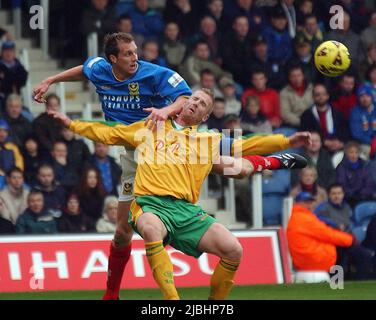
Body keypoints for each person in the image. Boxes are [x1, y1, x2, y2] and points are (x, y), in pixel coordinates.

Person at [49, 89, 311, 299]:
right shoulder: (153, 126)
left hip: (186, 210)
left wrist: (285, 141)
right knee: (152, 229)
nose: (195, 103)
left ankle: (273, 162)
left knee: (234, 248)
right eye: (194, 98)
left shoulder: (209, 139)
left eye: (202, 104)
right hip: (150, 204)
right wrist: (73, 124)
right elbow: (110, 132)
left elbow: (247, 143)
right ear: (184, 103)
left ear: (206, 117)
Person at [33, 32, 192, 300]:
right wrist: (51, 79)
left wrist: (166, 111)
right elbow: (84, 69)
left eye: (135, 51)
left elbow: (184, 97)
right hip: (131, 152)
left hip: (159, 148)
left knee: (157, 222)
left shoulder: (153, 74)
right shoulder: (101, 69)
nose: (135, 57)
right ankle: (111, 294)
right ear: (112, 59)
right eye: (128, 54)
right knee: (121, 232)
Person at [287, 191, 354, 272]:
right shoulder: (305, 219)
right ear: (297, 203)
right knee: (345, 249)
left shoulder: (298, 216)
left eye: (310, 202)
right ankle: (338, 282)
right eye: (306, 202)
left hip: (304, 258)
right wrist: (350, 240)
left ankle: (339, 280)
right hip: (313, 259)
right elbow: (328, 234)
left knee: (342, 248)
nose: (309, 205)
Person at [300, 83, 350, 153]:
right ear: (313, 97)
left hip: (338, 147)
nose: (321, 97)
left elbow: (345, 130)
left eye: (324, 94)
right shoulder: (307, 115)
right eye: (318, 95)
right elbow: (306, 134)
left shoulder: (337, 113)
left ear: (328, 96)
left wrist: (340, 142)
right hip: (317, 149)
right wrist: (324, 142)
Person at [336, 141, 375, 207]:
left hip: (364, 197)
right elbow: (341, 183)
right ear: (346, 153)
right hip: (348, 199)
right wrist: (352, 194)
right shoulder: (341, 167)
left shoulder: (365, 165)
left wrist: (361, 195)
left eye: (356, 152)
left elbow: (369, 183)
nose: (354, 155)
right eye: (351, 152)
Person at [280, 64, 313, 129]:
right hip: (293, 126)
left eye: (299, 75)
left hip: (313, 123)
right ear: (289, 78)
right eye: (293, 76)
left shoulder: (312, 89)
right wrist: (301, 122)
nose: (296, 79)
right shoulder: (284, 92)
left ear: (303, 76)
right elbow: (285, 113)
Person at [349, 84, 376, 157]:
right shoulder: (355, 112)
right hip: (363, 144)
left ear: (371, 96)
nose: (365, 99)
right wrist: (372, 142)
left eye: (367, 95)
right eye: (362, 96)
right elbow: (356, 134)